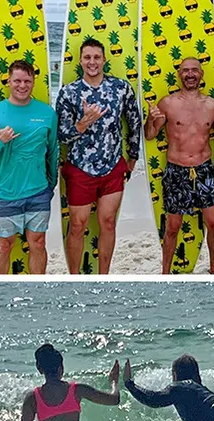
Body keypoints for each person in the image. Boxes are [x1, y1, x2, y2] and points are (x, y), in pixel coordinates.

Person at [56, 37, 144, 274]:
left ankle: (103, 274)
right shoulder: (69, 92)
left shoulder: (121, 87)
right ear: (80, 61)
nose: (92, 62)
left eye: (96, 57)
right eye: (87, 57)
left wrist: (132, 157)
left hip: (113, 166)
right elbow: (62, 135)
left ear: (104, 59)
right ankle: (74, 276)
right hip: (79, 168)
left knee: (107, 223)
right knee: (77, 225)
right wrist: (83, 123)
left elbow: (134, 122)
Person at [0, 60, 59, 274]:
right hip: (3, 194)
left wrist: (50, 186)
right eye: (17, 80)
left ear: (33, 82)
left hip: (38, 192)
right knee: (4, 246)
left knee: (38, 243)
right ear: (8, 81)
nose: (22, 85)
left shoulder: (47, 113)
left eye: (27, 81)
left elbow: (53, 151)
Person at [144, 58, 214, 274]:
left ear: (201, 74)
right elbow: (150, 135)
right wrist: (150, 120)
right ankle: (165, 272)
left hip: (204, 170)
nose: (190, 74)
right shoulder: (167, 103)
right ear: (179, 75)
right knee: (172, 227)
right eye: (185, 71)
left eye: (194, 71)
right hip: (176, 171)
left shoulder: (213, 105)